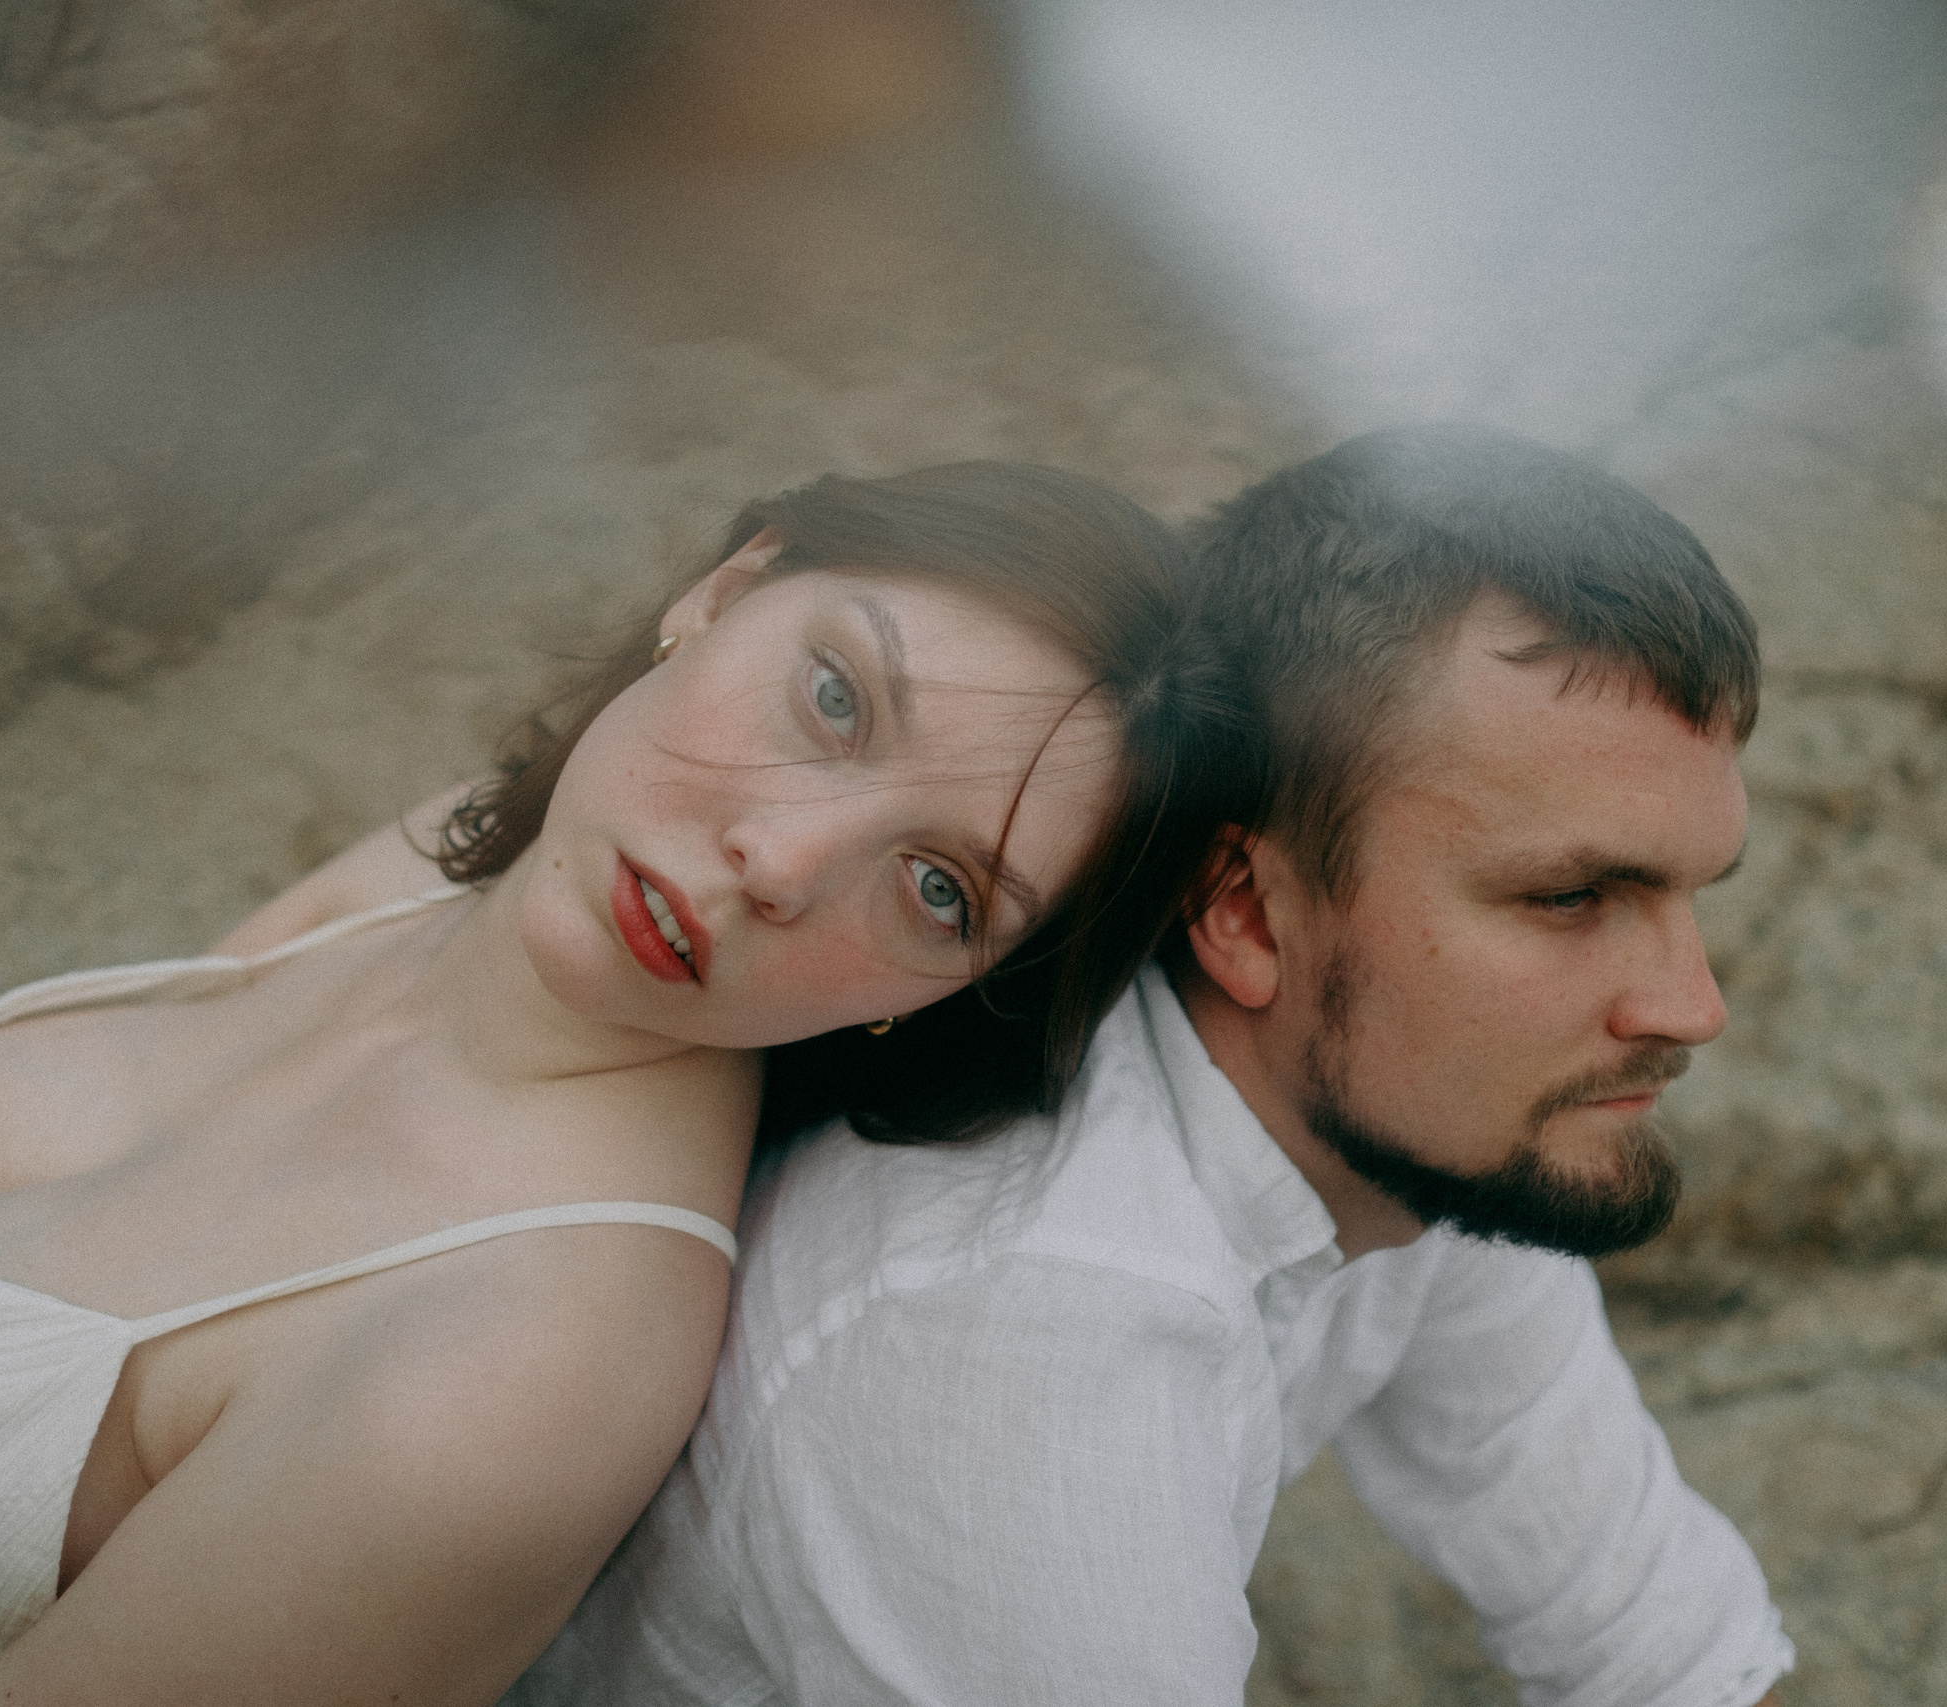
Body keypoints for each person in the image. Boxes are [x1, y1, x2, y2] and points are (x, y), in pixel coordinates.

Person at [0, 461, 1251, 1707]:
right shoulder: (464, 858)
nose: (779, 861)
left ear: (952, 995)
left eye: (935, 888)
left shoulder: (514, 1375)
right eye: (838, 697)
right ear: (721, 594)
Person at [519, 426, 1796, 1705]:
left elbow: (1658, 1639)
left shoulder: (1445, 1126)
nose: (1690, 1005)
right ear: (1242, 908)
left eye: (1689, 896)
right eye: (1572, 896)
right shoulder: (1013, 1346)